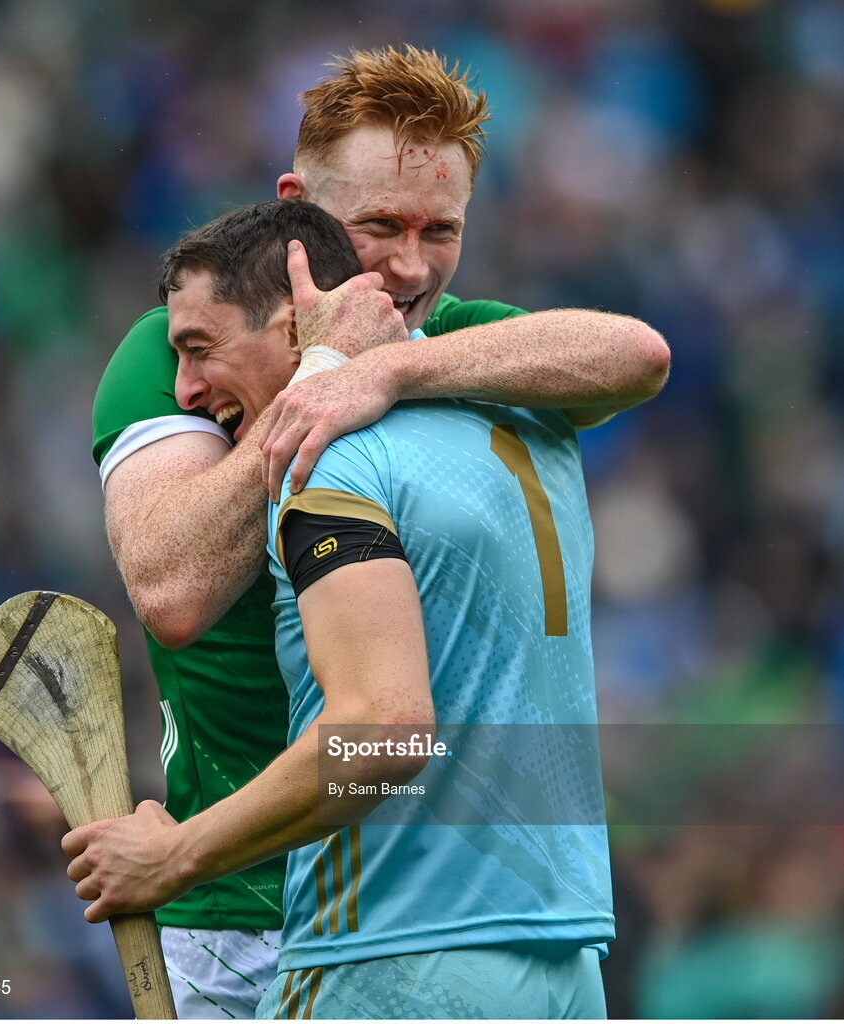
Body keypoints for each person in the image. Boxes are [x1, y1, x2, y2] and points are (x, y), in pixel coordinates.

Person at [90, 46, 669, 1018]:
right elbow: (173, 587)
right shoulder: (182, 346)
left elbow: (633, 352)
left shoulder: (454, 342)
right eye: (377, 228)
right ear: (299, 209)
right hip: (237, 904)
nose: (408, 267)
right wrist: (316, 378)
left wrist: (385, 371)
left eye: (439, 230)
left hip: (406, 911)